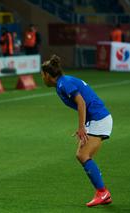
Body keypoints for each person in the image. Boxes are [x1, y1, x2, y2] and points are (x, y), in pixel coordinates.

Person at [41, 55, 113, 207]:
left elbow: (81, 103)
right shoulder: (64, 82)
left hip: (99, 119)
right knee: (83, 155)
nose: (42, 78)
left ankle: (103, 192)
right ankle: (102, 193)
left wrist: (82, 127)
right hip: (97, 119)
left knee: (82, 154)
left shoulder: (63, 84)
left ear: (48, 75)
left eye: (42, 75)